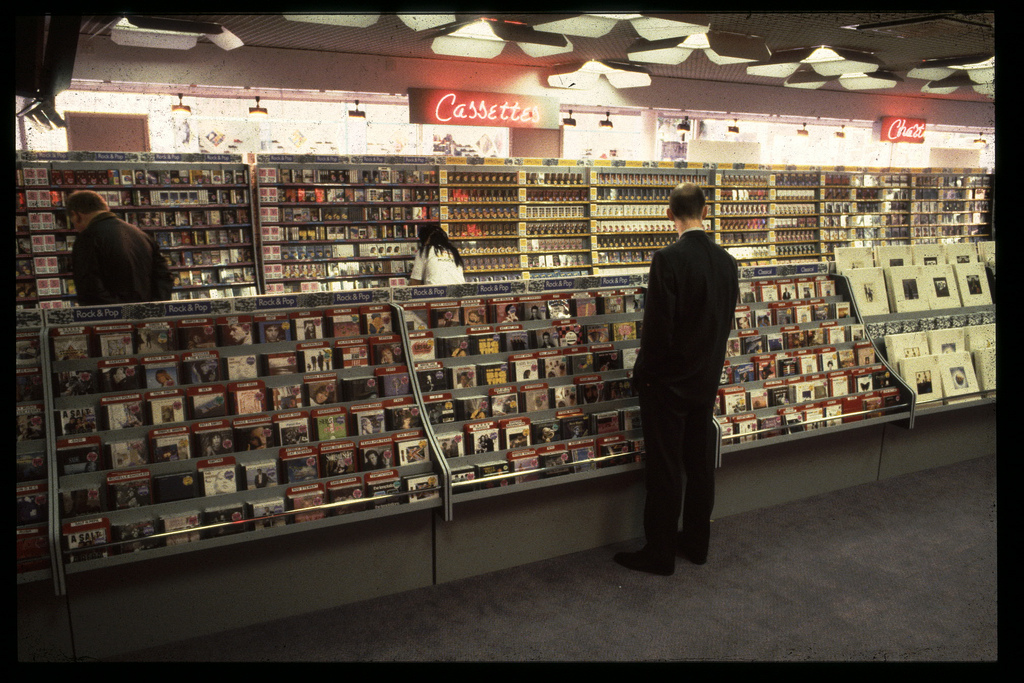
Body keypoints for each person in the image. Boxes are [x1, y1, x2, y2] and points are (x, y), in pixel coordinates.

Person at [614, 183, 739, 576]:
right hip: (706, 381)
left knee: (666, 470)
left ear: (670, 214)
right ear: (706, 210)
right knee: (700, 467)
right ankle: (697, 544)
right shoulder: (726, 261)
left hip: (667, 386)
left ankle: (660, 552)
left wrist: (644, 376)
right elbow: (725, 320)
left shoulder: (667, 259)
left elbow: (658, 330)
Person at [66, 190, 175, 305]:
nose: (76, 228)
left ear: (77, 215)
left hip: (111, 318)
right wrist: (152, 307)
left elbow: (89, 287)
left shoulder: (87, 238)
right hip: (146, 316)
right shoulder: (140, 234)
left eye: (73, 222)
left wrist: (118, 312)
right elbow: (164, 277)